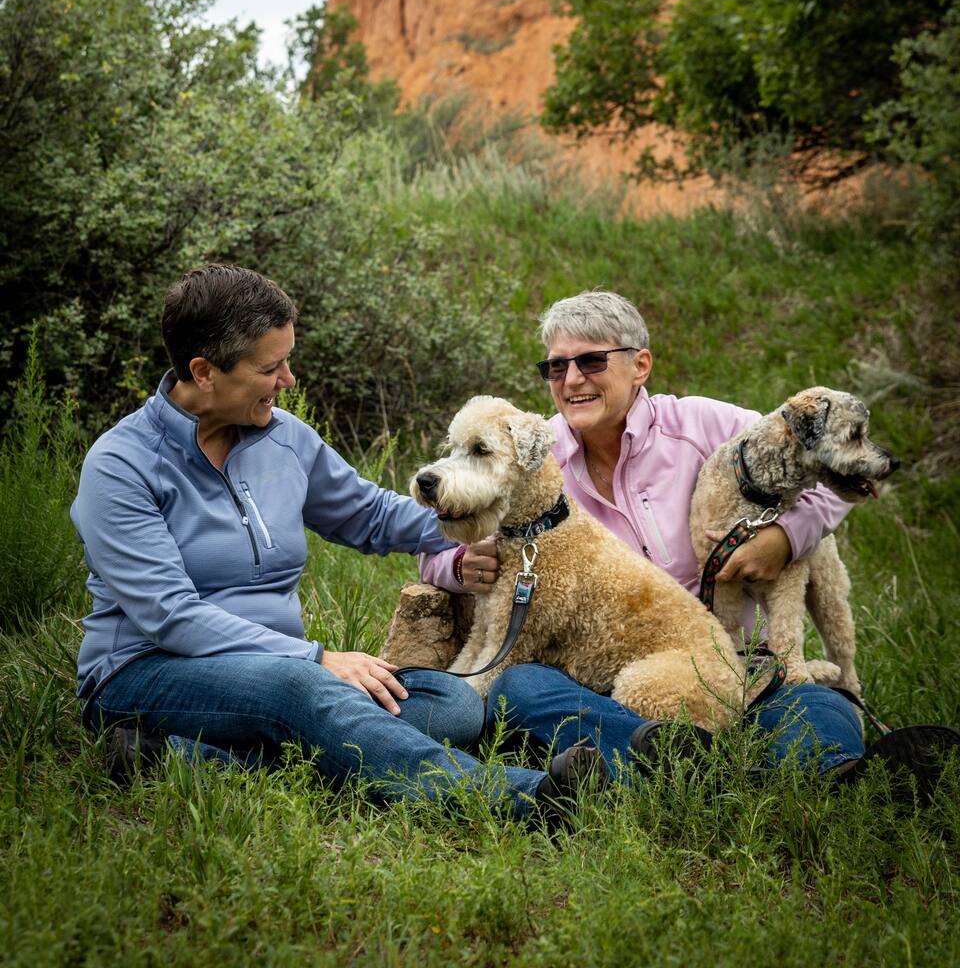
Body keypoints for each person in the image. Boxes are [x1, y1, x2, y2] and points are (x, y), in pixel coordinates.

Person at [71, 263, 601, 819]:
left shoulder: (285, 439)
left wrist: (488, 516)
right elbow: (170, 616)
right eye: (271, 367)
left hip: (282, 673)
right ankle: (519, 798)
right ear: (204, 371)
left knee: (452, 707)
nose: (289, 380)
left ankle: (185, 757)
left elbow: (369, 515)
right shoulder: (122, 465)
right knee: (299, 691)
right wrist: (317, 659)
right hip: (145, 673)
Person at [453, 290, 957, 799]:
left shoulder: (706, 425)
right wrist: (458, 563)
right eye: (556, 367)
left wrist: (783, 538)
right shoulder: (534, 449)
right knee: (521, 687)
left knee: (817, 704)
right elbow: (439, 514)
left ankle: (834, 778)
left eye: (591, 361)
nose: (573, 380)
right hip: (604, 676)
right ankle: (696, 764)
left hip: (752, 660)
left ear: (640, 365)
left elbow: (831, 475)